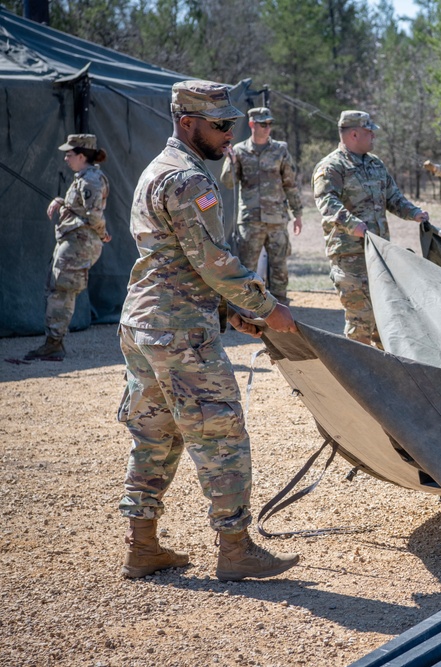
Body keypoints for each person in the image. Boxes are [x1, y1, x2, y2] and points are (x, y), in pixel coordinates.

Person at [117, 80, 300, 582]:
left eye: (231, 125)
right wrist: (267, 307)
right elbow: (215, 263)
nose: (228, 135)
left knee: (154, 434)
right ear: (186, 122)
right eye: (219, 126)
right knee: (220, 435)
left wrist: (230, 315)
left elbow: (179, 259)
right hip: (178, 331)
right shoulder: (188, 181)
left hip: (145, 322)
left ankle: (142, 546)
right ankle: (236, 549)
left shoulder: (158, 170)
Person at [313, 110, 429, 346]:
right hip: (350, 256)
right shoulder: (332, 166)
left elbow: (393, 197)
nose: (373, 137)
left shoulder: (376, 164)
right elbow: (326, 202)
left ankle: (384, 374)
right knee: (360, 323)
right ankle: (358, 378)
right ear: (354, 133)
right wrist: (352, 224)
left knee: (385, 318)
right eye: (369, 132)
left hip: (378, 254)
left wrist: (414, 213)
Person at [24, 134, 112, 361]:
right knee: (58, 289)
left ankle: (54, 344)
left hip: (79, 243)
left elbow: (94, 216)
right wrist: (61, 201)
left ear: (82, 156)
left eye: (69, 154)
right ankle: (53, 341)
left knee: (61, 291)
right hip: (73, 241)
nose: (65, 158)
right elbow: (81, 208)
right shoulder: (84, 178)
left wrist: (103, 235)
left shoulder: (91, 180)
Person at [221, 107, 303, 305]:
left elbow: (290, 183)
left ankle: (281, 309)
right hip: (251, 221)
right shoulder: (239, 151)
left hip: (277, 219)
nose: (267, 128)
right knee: (247, 268)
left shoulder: (280, 150)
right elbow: (228, 182)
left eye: (269, 124)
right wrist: (230, 161)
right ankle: (247, 309)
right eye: (263, 124)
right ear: (252, 125)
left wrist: (298, 213)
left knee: (279, 268)